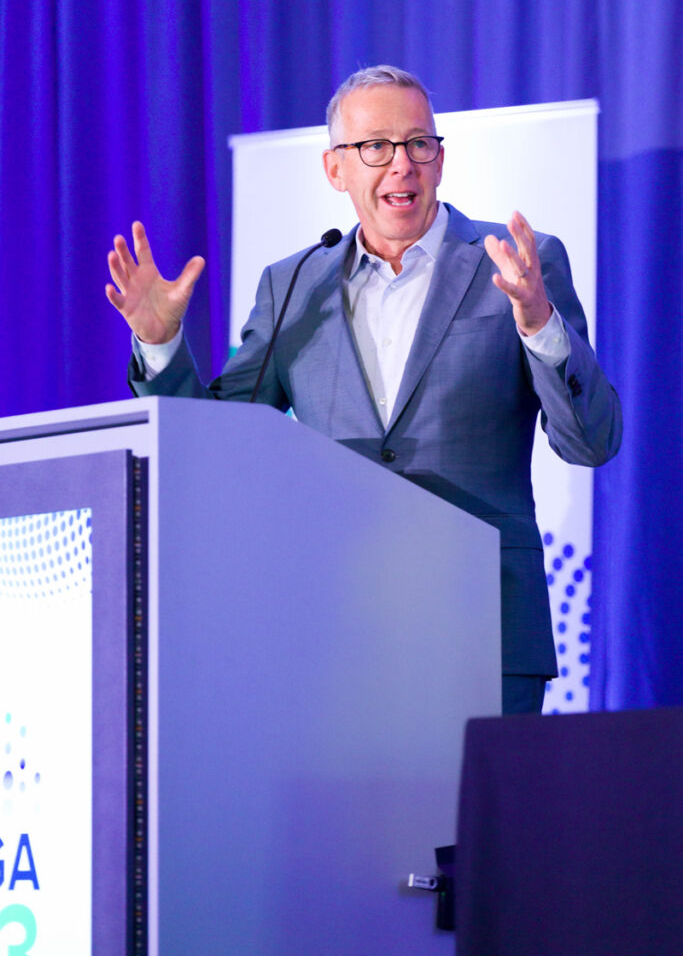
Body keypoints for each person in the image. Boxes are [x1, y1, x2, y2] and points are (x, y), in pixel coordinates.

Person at [106, 65, 622, 714]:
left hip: (486, 625)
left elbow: (591, 442)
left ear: (439, 158)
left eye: (418, 144)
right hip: (335, 632)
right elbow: (216, 446)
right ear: (335, 169)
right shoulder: (293, 286)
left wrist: (541, 328)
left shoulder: (517, 265)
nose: (400, 164)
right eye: (375, 146)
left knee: (481, 819)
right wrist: (160, 344)